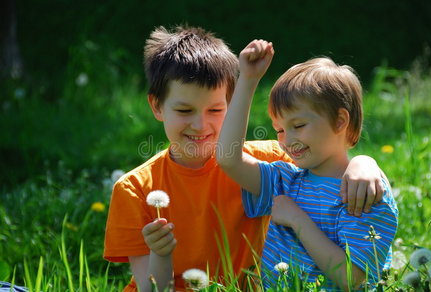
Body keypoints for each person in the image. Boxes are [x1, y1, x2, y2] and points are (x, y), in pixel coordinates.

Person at [104, 26, 390, 292]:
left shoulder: (271, 161)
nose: (201, 125)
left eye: (215, 110)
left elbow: (327, 158)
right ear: (157, 106)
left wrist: (363, 162)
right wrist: (161, 253)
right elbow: (151, 288)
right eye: (184, 110)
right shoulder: (134, 189)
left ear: (231, 105)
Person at [216, 40, 398, 290]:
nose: (287, 140)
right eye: (279, 129)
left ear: (340, 120)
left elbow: (355, 279)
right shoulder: (285, 181)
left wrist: (297, 219)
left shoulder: (363, 191)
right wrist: (247, 80)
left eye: (298, 125)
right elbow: (227, 157)